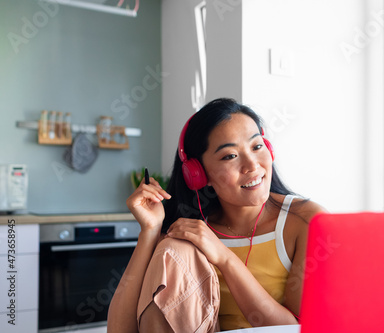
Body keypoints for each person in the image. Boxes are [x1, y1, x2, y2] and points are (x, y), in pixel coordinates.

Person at [107, 98, 326, 332]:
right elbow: (120, 330)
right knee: (175, 246)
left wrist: (225, 258)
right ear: (198, 173)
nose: (252, 165)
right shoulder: (188, 232)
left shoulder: (305, 220)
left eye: (257, 146)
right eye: (230, 156)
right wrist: (150, 232)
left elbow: (297, 329)